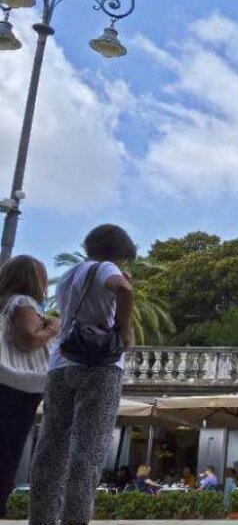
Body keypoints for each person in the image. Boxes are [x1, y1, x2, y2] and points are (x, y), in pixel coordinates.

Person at [29, 224, 136, 525]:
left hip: (61, 364)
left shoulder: (68, 276)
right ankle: (75, 519)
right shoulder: (105, 268)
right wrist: (122, 329)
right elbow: (124, 289)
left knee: (51, 445)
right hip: (98, 366)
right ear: (117, 252)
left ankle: (42, 518)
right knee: (88, 449)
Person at [0, 255, 57, 517]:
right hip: (16, 383)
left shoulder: (4, 304)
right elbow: (27, 340)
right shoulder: (23, 302)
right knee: (7, 454)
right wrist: (52, 328)